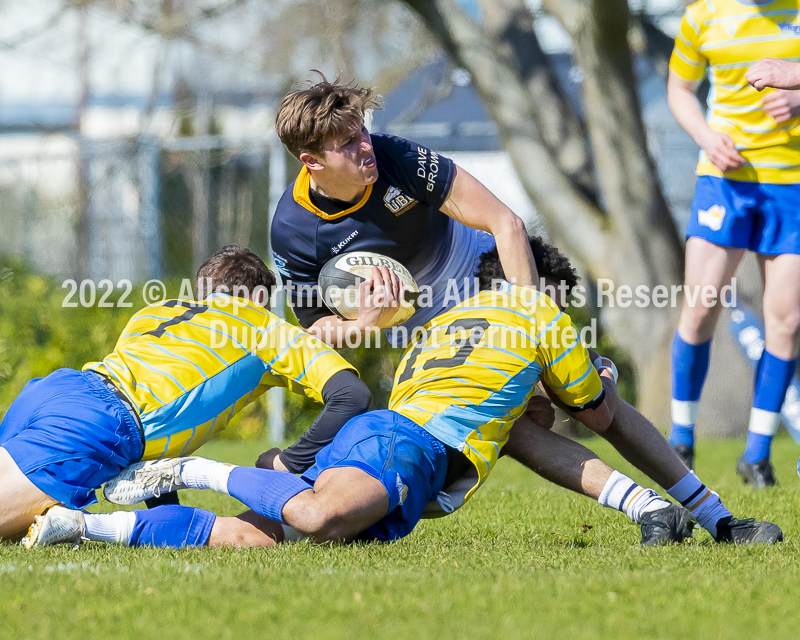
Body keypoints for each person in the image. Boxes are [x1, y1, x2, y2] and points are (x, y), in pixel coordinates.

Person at [25, 238, 782, 549]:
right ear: (536, 292)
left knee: (258, 539)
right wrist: (591, 385)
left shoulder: (447, 328)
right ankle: (182, 477)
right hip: (401, 444)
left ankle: (84, 528)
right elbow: (602, 418)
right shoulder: (535, 313)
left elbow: (512, 420)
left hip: (392, 437)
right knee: (317, 517)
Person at [0, 245, 372, 543]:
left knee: (12, 533)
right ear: (259, 296)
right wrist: (290, 462)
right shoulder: (264, 326)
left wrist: (161, 515)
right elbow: (350, 395)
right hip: (102, 421)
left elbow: (160, 415)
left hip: (57, 389)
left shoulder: (156, 310)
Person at [270, 72, 537, 348]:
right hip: (417, 324)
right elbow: (315, 326)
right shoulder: (292, 229)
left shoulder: (396, 156)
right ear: (312, 160)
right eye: (348, 142)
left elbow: (507, 223)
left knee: (547, 378)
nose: (365, 145)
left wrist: (534, 327)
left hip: (480, 268)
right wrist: (364, 324)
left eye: (362, 129)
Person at [666, 0, 800, 485]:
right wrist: (705, 135)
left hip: (794, 185)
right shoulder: (703, 14)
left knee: (785, 320)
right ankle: (681, 439)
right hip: (725, 180)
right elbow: (680, 88)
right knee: (701, 306)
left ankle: (757, 454)